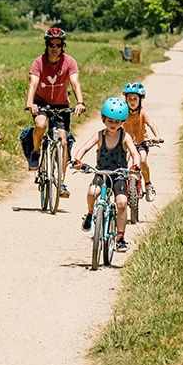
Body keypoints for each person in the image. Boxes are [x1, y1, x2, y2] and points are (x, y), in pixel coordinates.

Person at [71, 97, 139, 252]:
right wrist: (78, 160)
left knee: (121, 202)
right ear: (103, 119)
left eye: (117, 122)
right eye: (110, 121)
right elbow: (84, 148)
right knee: (91, 192)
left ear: (122, 122)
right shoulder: (99, 135)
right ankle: (90, 213)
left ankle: (120, 237)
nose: (113, 125)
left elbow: (134, 153)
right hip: (101, 174)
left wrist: (135, 165)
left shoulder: (125, 137)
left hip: (118, 175)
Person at [26, 27, 85, 199]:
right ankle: (36, 151)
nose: (54, 48)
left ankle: (60, 183)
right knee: (40, 124)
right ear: (46, 45)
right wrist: (30, 102)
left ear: (62, 46)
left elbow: (75, 83)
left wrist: (80, 102)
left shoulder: (69, 62)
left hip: (61, 105)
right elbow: (33, 84)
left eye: (58, 45)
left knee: (63, 141)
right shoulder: (39, 62)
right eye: (51, 44)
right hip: (41, 103)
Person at [122, 82, 163, 202]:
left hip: (141, 143)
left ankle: (148, 184)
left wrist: (157, 136)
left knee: (143, 160)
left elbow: (151, 124)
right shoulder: (123, 111)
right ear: (126, 100)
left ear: (140, 99)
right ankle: (122, 186)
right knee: (124, 163)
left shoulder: (143, 112)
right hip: (127, 144)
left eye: (135, 99)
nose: (132, 101)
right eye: (129, 99)